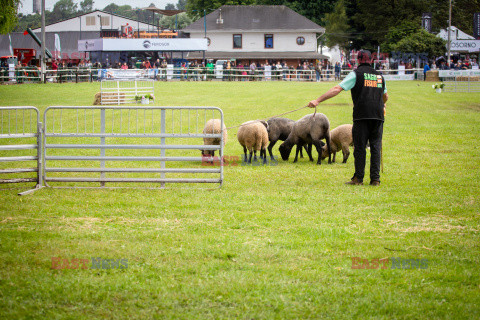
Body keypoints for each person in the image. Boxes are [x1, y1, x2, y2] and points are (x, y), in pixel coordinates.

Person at [307, 50, 389, 186]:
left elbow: (337, 89)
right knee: (375, 147)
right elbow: (385, 96)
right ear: (371, 60)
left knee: (360, 147)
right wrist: (382, 105)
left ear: (358, 60)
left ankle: (358, 179)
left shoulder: (356, 74)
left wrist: (318, 100)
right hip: (378, 116)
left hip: (362, 116)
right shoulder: (380, 76)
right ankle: (375, 179)